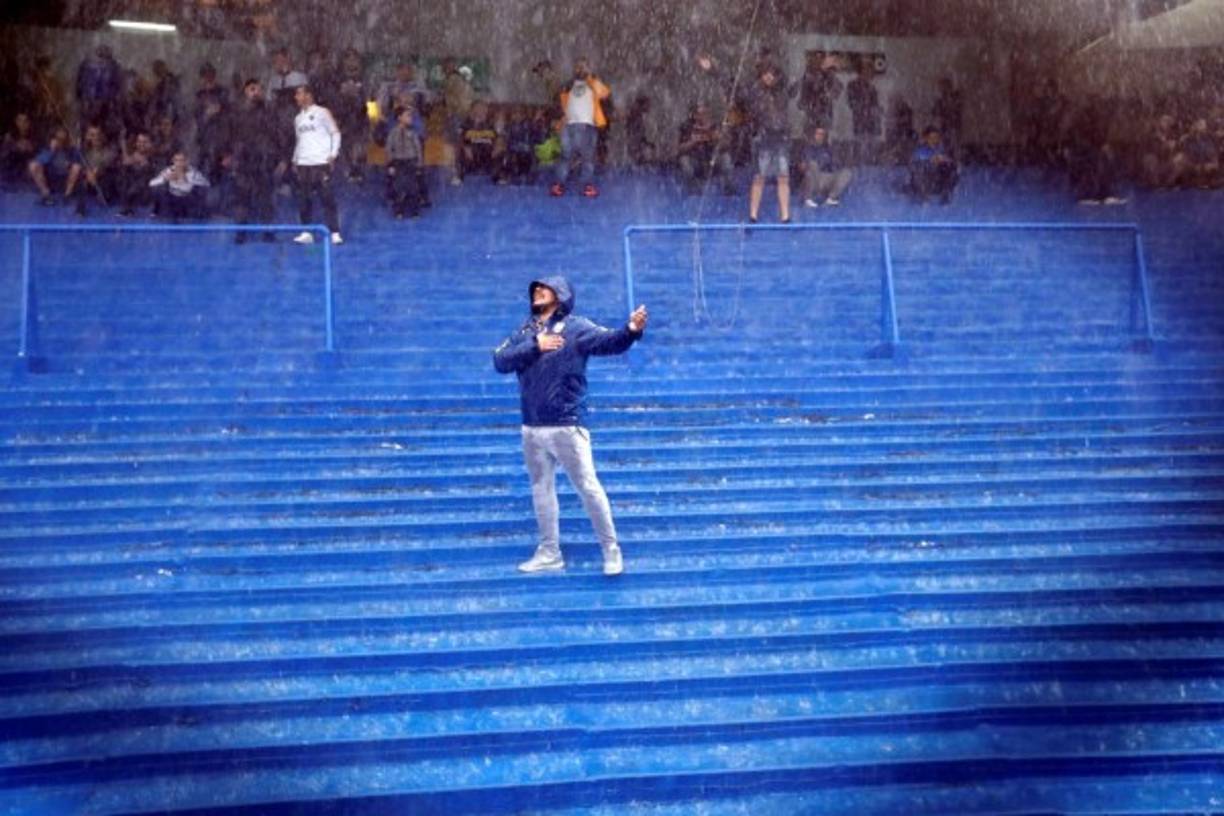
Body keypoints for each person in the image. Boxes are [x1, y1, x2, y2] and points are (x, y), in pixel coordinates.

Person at [493, 276, 648, 576]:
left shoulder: (577, 328)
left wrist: (631, 330)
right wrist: (534, 346)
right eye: (535, 289)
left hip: (566, 424)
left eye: (545, 288)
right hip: (532, 427)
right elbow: (500, 360)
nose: (537, 291)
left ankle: (611, 550)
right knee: (541, 489)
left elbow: (609, 342)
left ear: (561, 295)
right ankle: (549, 552)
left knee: (588, 487)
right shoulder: (525, 332)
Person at [227, 78, 284, 242]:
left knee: (266, 198)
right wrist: (227, 155)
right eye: (252, 89)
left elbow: (278, 134)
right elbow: (229, 134)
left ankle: (267, 231)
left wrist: (282, 158)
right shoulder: (237, 112)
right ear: (246, 91)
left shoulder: (269, 111)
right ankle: (241, 232)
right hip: (244, 161)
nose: (256, 92)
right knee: (241, 198)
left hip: (264, 161)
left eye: (258, 89)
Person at [744, 62, 797, 223]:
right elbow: (737, 88)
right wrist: (713, 70)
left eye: (772, 74)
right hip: (763, 139)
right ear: (761, 76)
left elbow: (794, 89)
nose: (769, 77)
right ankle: (753, 214)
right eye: (766, 73)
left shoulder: (781, 92)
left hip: (780, 138)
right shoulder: (755, 92)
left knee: (783, 177)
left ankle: (785, 215)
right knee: (759, 177)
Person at [550, 58, 610, 198]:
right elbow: (559, 102)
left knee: (587, 158)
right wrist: (559, 120)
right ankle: (559, 185)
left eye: (584, 66)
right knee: (565, 156)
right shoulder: (568, 85)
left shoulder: (593, 83)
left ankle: (587, 186)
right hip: (569, 125)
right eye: (578, 66)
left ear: (588, 68)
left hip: (588, 125)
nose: (580, 69)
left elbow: (605, 93)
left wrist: (590, 78)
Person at [290, 84, 342, 245]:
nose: (296, 98)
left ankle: (335, 232)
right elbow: (299, 140)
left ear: (309, 95)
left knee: (326, 197)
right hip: (304, 163)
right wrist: (295, 158)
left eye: (299, 94)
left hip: (320, 162)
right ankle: (306, 232)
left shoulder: (322, 113)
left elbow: (335, 133)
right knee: (304, 199)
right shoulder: (297, 119)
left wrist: (333, 154)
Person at [676, 103, 734, 194]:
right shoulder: (687, 127)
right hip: (696, 161)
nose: (703, 116)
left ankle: (729, 188)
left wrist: (717, 139)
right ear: (695, 116)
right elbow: (680, 149)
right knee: (684, 161)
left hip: (712, 161)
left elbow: (727, 145)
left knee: (726, 158)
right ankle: (693, 189)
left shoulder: (715, 127)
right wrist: (693, 142)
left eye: (705, 114)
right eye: (700, 114)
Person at [28, 126, 82, 206]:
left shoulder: (72, 150)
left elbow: (77, 162)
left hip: (66, 178)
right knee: (33, 165)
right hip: (51, 177)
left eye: (63, 139)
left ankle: (67, 195)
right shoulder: (47, 149)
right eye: (58, 139)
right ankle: (46, 194)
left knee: (77, 167)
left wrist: (70, 160)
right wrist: (51, 151)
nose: (61, 142)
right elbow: (40, 161)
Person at [148, 150, 209, 220]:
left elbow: (206, 183)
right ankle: (156, 215)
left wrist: (187, 179)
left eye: (181, 160)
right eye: (176, 160)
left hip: (188, 199)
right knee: (160, 191)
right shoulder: (169, 170)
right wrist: (165, 179)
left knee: (199, 194)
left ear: (187, 161)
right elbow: (151, 183)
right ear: (173, 161)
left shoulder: (193, 172)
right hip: (172, 200)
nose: (179, 163)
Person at [385, 105, 423, 219]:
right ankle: (399, 210)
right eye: (407, 116)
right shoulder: (393, 133)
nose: (410, 118)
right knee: (399, 187)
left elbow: (418, 148)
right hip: (398, 162)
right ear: (399, 117)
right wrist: (390, 164)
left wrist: (419, 164)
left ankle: (414, 210)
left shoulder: (413, 133)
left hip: (410, 161)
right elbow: (389, 149)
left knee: (413, 187)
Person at [801, 125, 852, 207]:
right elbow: (801, 167)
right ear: (813, 135)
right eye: (817, 134)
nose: (820, 136)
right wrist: (809, 166)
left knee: (847, 173)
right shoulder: (807, 149)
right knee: (812, 165)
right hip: (812, 178)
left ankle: (831, 198)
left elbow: (835, 166)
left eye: (822, 134)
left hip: (826, 178)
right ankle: (808, 199)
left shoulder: (828, 150)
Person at [75, 122, 118, 215]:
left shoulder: (110, 149)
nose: (96, 138)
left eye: (98, 135)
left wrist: (95, 172)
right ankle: (80, 209)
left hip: (104, 180)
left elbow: (106, 163)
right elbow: (81, 165)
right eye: (92, 135)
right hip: (89, 179)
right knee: (82, 179)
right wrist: (88, 173)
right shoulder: (85, 151)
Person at [457, 100, 504, 183]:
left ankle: (497, 178)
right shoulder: (466, 124)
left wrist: (498, 146)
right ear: (473, 110)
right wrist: (465, 147)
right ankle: (459, 177)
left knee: (500, 151)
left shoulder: (492, 124)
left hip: (488, 154)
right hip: (472, 154)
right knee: (460, 151)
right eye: (478, 108)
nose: (480, 110)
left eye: (483, 108)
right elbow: (459, 139)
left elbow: (500, 137)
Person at [909, 125, 958, 204]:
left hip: (936, 180)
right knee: (920, 167)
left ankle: (945, 194)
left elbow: (950, 160)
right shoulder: (920, 149)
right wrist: (930, 160)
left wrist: (945, 160)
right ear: (925, 138)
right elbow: (915, 162)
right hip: (925, 180)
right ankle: (923, 196)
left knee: (950, 168)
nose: (934, 140)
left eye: (936, 137)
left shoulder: (941, 148)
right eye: (931, 138)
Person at [845, 59, 882, 164]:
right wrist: (864, 108)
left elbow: (875, 105)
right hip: (860, 123)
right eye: (866, 71)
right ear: (861, 72)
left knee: (872, 151)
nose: (869, 74)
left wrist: (877, 113)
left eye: (870, 71)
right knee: (861, 151)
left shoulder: (872, 88)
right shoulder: (852, 85)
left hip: (871, 125)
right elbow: (852, 103)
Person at [117, 130, 157, 216]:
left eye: (144, 142)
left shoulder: (155, 156)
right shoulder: (134, 155)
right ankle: (126, 209)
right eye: (139, 141)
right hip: (132, 191)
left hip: (147, 192)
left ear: (150, 143)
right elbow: (126, 162)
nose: (141, 144)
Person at [799, 52, 842, 131]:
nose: (817, 62)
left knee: (823, 134)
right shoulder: (808, 75)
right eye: (816, 59)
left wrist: (828, 94)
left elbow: (837, 90)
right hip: (811, 113)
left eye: (820, 59)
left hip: (824, 112)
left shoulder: (830, 76)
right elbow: (804, 94)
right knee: (810, 133)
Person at [1, 111, 38, 188]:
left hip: (27, 168)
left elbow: (37, 154)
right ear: (16, 122)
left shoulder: (34, 136)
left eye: (25, 121)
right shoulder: (10, 137)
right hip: (11, 168)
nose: (22, 124)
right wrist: (15, 148)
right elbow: (3, 155)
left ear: (29, 123)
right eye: (20, 121)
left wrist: (30, 148)